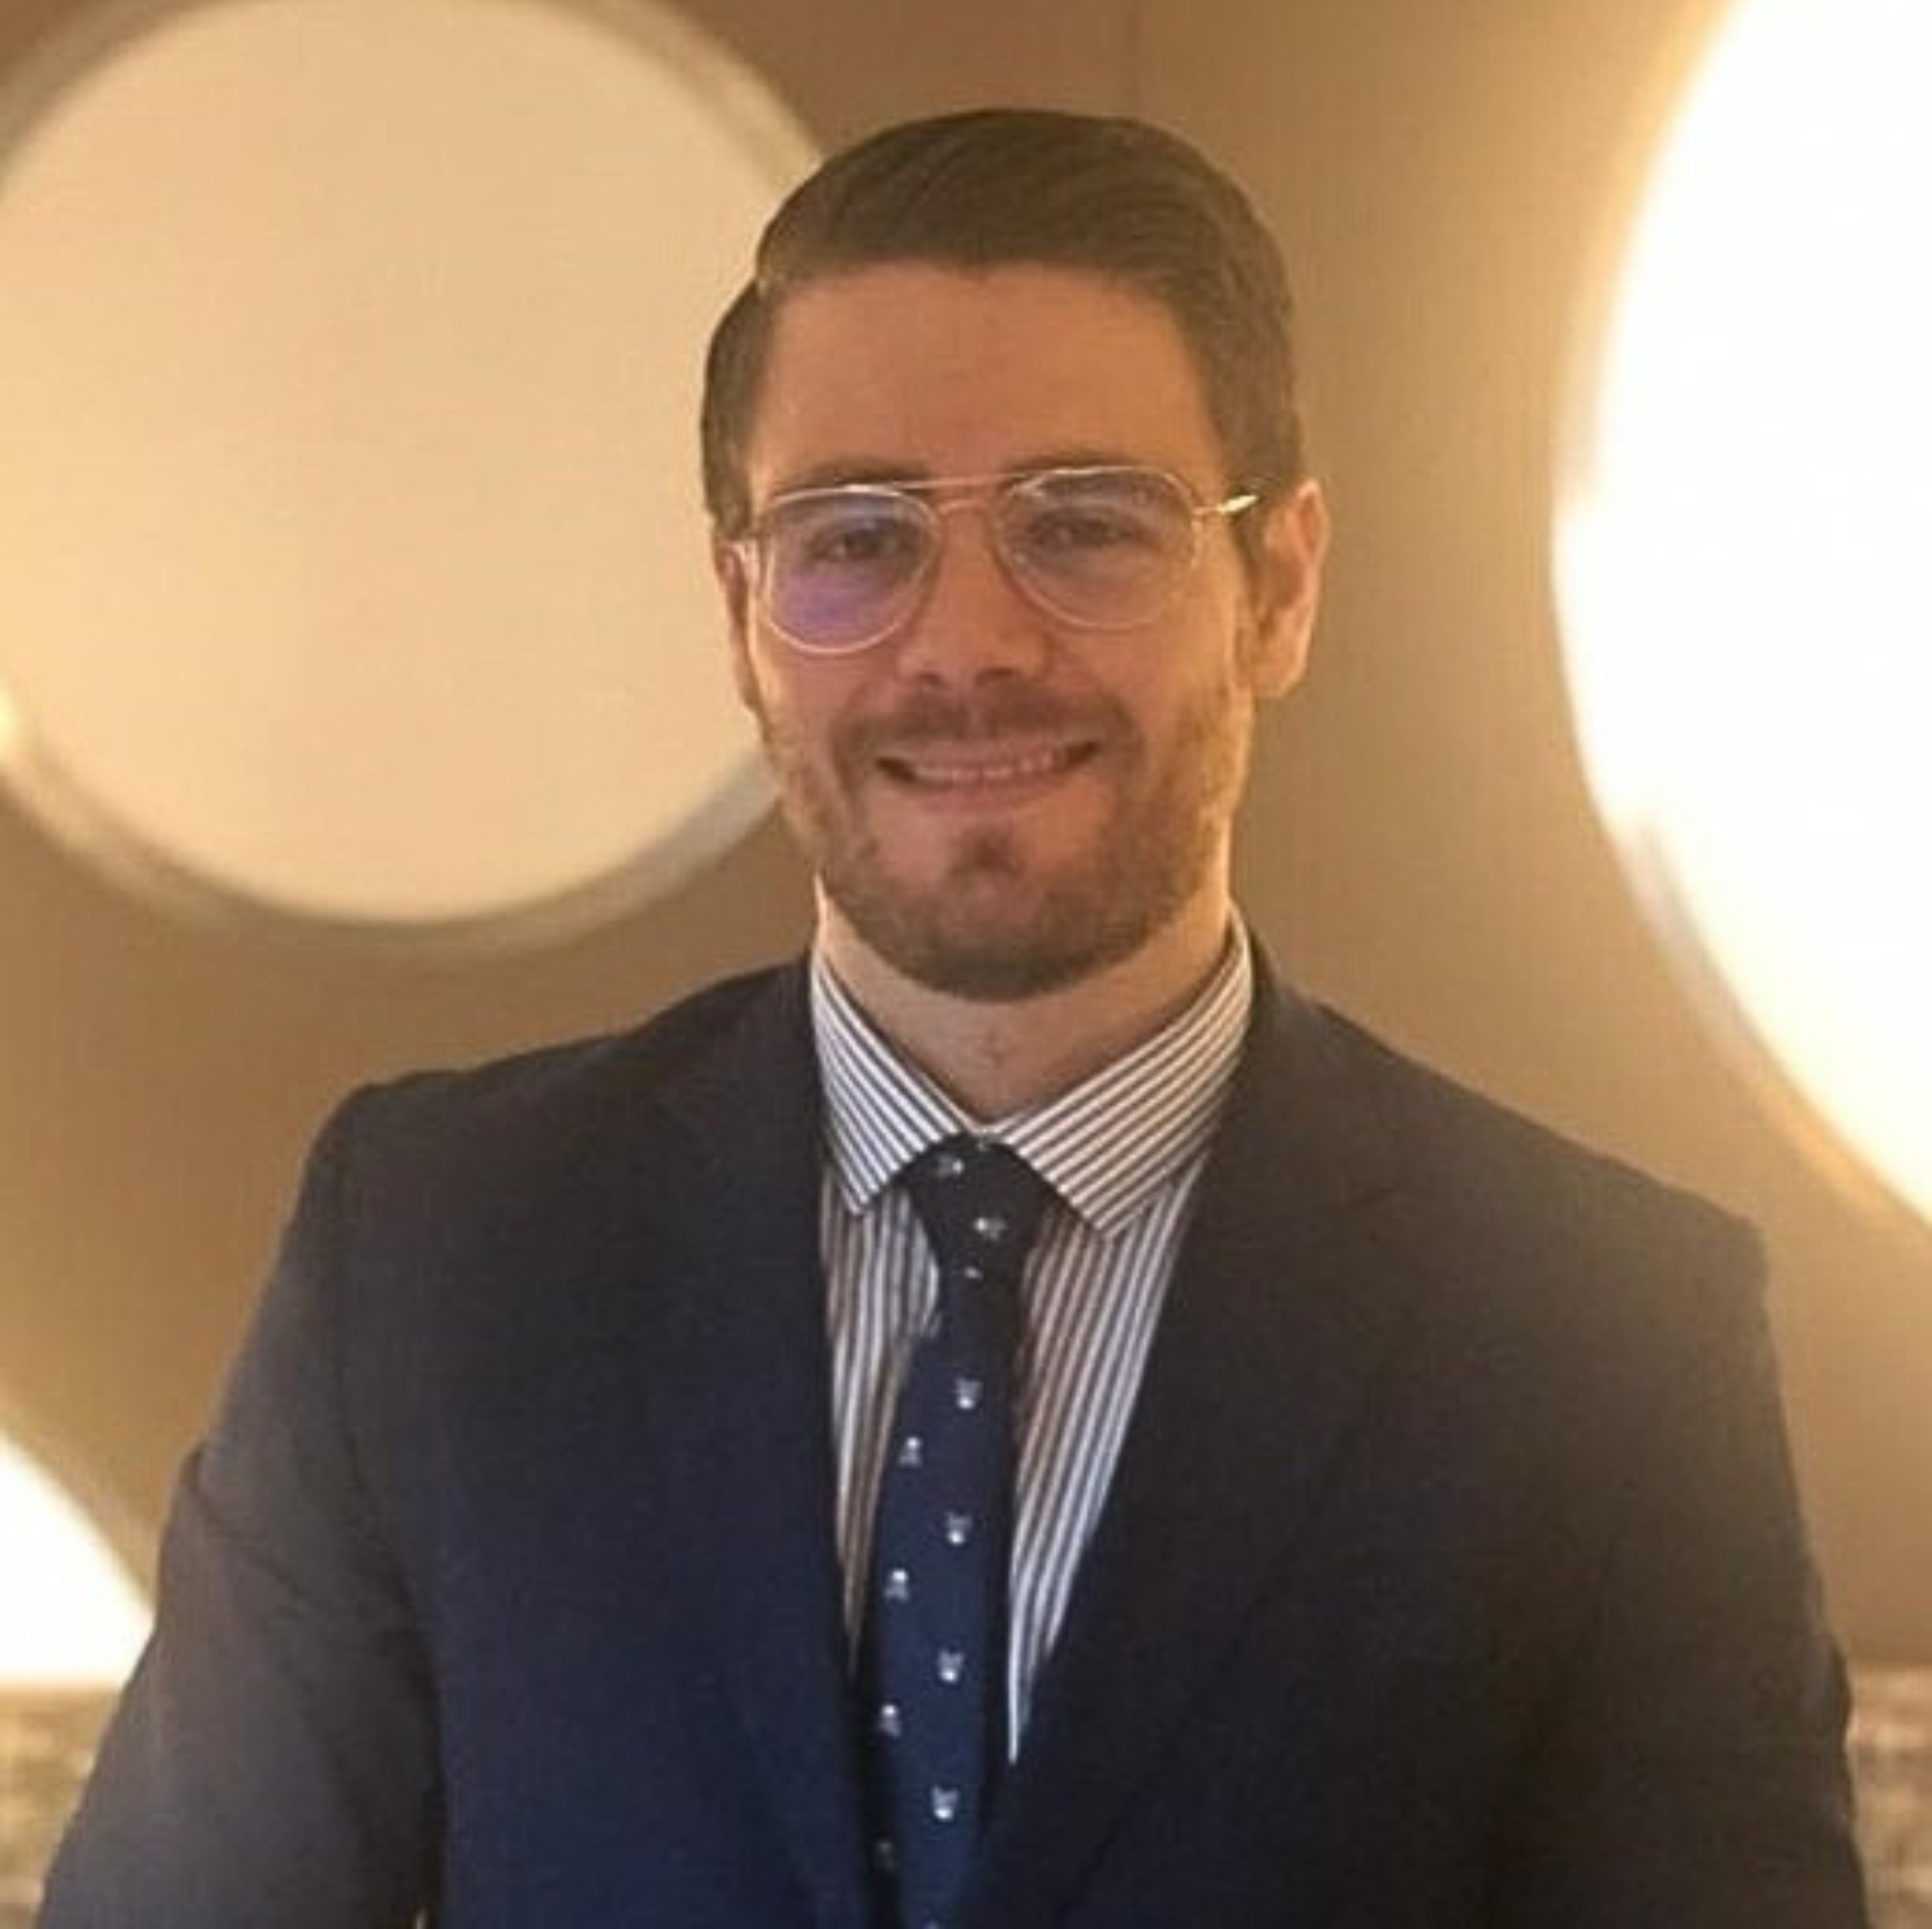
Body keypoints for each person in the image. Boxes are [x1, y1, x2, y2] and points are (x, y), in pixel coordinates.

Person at [42, 107, 1864, 1927]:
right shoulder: (437, 1260)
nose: (968, 642)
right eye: (855, 535)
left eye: (1087, 525)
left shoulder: (1608, 1339)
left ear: (1279, 588)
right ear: (743, 608)